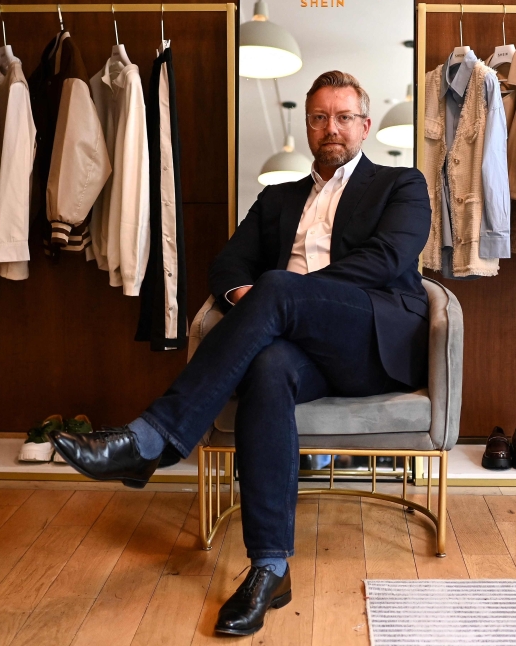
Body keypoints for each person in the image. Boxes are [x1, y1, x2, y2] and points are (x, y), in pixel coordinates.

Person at [50, 70, 430, 636]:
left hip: (368, 340)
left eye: (344, 117)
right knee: (269, 368)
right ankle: (270, 567)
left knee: (278, 286)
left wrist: (290, 294)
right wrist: (246, 296)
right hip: (291, 348)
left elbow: (385, 262)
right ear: (307, 126)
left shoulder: (402, 184)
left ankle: (150, 439)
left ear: (366, 126)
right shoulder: (277, 198)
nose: (332, 128)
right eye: (320, 117)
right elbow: (227, 266)